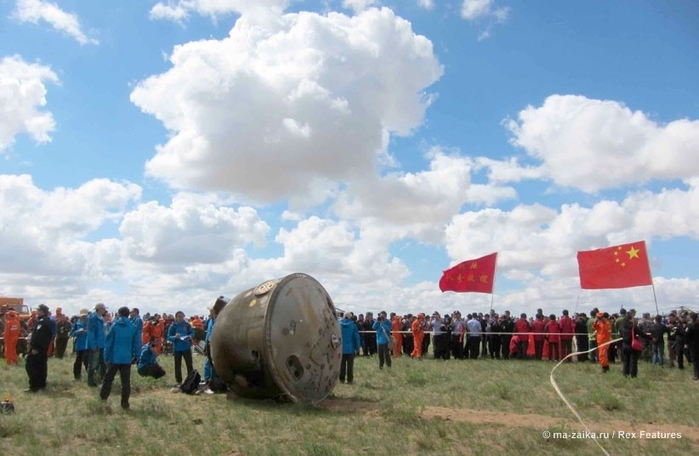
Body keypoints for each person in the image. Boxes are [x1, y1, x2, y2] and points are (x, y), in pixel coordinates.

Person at [100, 306, 141, 409]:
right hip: (126, 358)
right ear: (128, 314)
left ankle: (102, 399)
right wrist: (137, 356)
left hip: (114, 358)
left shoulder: (114, 326)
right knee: (126, 382)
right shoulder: (133, 327)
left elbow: (109, 342)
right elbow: (137, 343)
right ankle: (125, 404)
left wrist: (106, 356)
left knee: (108, 379)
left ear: (119, 314)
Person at [25, 304, 52, 392]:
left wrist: (36, 348)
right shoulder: (45, 320)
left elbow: (39, 336)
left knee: (32, 366)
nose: (37, 312)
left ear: (42, 311)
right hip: (42, 349)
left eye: (38, 310)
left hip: (38, 349)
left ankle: (34, 386)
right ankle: (41, 385)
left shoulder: (42, 322)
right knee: (41, 366)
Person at [167, 311, 194, 391]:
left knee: (189, 364)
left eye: (182, 316)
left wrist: (189, 336)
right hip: (177, 348)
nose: (180, 318)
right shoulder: (173, 326)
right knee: (177, 365)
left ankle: (191, 379)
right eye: (179, 316)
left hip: (186, 347)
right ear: (176, 317)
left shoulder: (187, 325)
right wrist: (175, 337)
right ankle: (179, 381)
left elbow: (192, 333)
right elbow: (168, 336)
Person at [620, 309, 648, 378]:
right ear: (630, 320)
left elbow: (620, 336)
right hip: (632, 346)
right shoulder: (633, 327)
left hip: (624, 345)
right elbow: (642, 334)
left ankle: (625, 374)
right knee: (633, 361)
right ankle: (633, 375)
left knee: (626, 361)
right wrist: (650, 337)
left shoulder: (621, 327)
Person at [87, 303, 108, 387]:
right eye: (103, 309)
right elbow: (91, 332)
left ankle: (102, 379)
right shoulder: (93, 318)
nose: (104, 310)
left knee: (102, 363)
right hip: (96, 345)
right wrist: (93, 344)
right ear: (99, 309)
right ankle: (90, 381)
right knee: (93, 364)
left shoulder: (100, 318)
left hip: (102, 344)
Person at [340, 312, 361, 384]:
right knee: (350, 365)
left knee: (342, 365)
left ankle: (341, 379)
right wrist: (358, 347)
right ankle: (349, 379)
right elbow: (356, 337)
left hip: (341, 348)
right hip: (350, 348)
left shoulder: (339, 324)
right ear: (350, 317)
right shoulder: (353, 325)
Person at [71, 309, 90, 380]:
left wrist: (87, 331)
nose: (84, 317)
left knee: (87, 361)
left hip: (88, 345)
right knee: (78, 362)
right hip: (79, 345)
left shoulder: (90, 323)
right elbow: (72, 334)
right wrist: (77, 332)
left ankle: (90, 376)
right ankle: (77, 376)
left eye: (85, 316)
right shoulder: (77, 323)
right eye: (83, 316)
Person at [685, 312, 699, 380]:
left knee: (695, 360)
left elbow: (687, 336)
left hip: (693, 345)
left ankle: (696, 375)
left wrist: (686, 344)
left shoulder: (690, 326)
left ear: (691, 318)